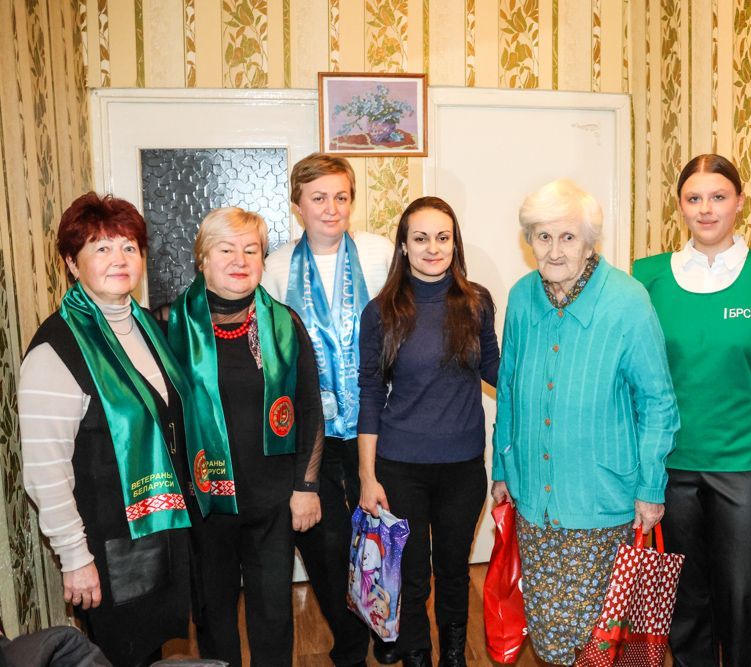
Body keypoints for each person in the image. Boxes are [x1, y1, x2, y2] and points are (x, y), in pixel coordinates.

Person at [491, 179, 679, 665]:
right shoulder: (522, 297)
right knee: (551, 633)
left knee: (601, 639)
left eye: (568, 237)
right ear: (529, 241)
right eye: (543, 236)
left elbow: (658, 402)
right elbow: (508, 389)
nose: (554, 251)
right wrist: (502, 470)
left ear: (590, 241)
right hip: (534, 499)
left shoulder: (627, 300)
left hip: (603, 501)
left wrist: (651, 487)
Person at [18, 192, 199, 666]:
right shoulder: (56, 349)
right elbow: (45, 471)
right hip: (110, 545)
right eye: (101, 248)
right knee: (121, 654)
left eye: (129, 247)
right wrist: (75, 558)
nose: (119, 259)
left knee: (152, 649)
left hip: (159, 528)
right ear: (71, 264)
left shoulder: (144, 327)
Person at [632, 154, 751, 666]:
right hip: (669, 467)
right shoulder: (646, 278)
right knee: (682, 603)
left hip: (745, 465)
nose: (706, 209)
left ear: (739, 203)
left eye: (718, 197)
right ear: (680, 206)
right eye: (694, 198)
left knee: (744, 602)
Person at [166, 207, 324, 667]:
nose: (240, 260)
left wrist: (306, 486)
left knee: (274, 613)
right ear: (202, 259)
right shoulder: (168, 327)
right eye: (226, 249)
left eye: (251, 250)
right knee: (213, 613)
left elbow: (310, 407)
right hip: (204, 504)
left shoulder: (286, 324)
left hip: (272, 502)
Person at [262, 153, 394, 667]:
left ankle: (386, 625)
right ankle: (349, 642)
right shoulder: (276, 267)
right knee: (326, 546)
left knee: (379, 537)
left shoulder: (379, 254)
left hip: (375, 425)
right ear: (298, 205)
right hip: (311, 433)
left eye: (341, 196)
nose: (331, 208)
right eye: (318, 198)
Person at [357, 196, 500, 667]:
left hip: (463, 467)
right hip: (401, 467)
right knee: (412, 575)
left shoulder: (476, 302)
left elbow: (497, 371)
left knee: (455, 570)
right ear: (403, 246)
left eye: (443, 237)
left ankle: (454, 657)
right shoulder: (382, 311)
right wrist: (367, 476)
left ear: (455, 243)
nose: (433, 248)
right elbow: (370, 394)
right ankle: (416, 656)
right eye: (420, 238)